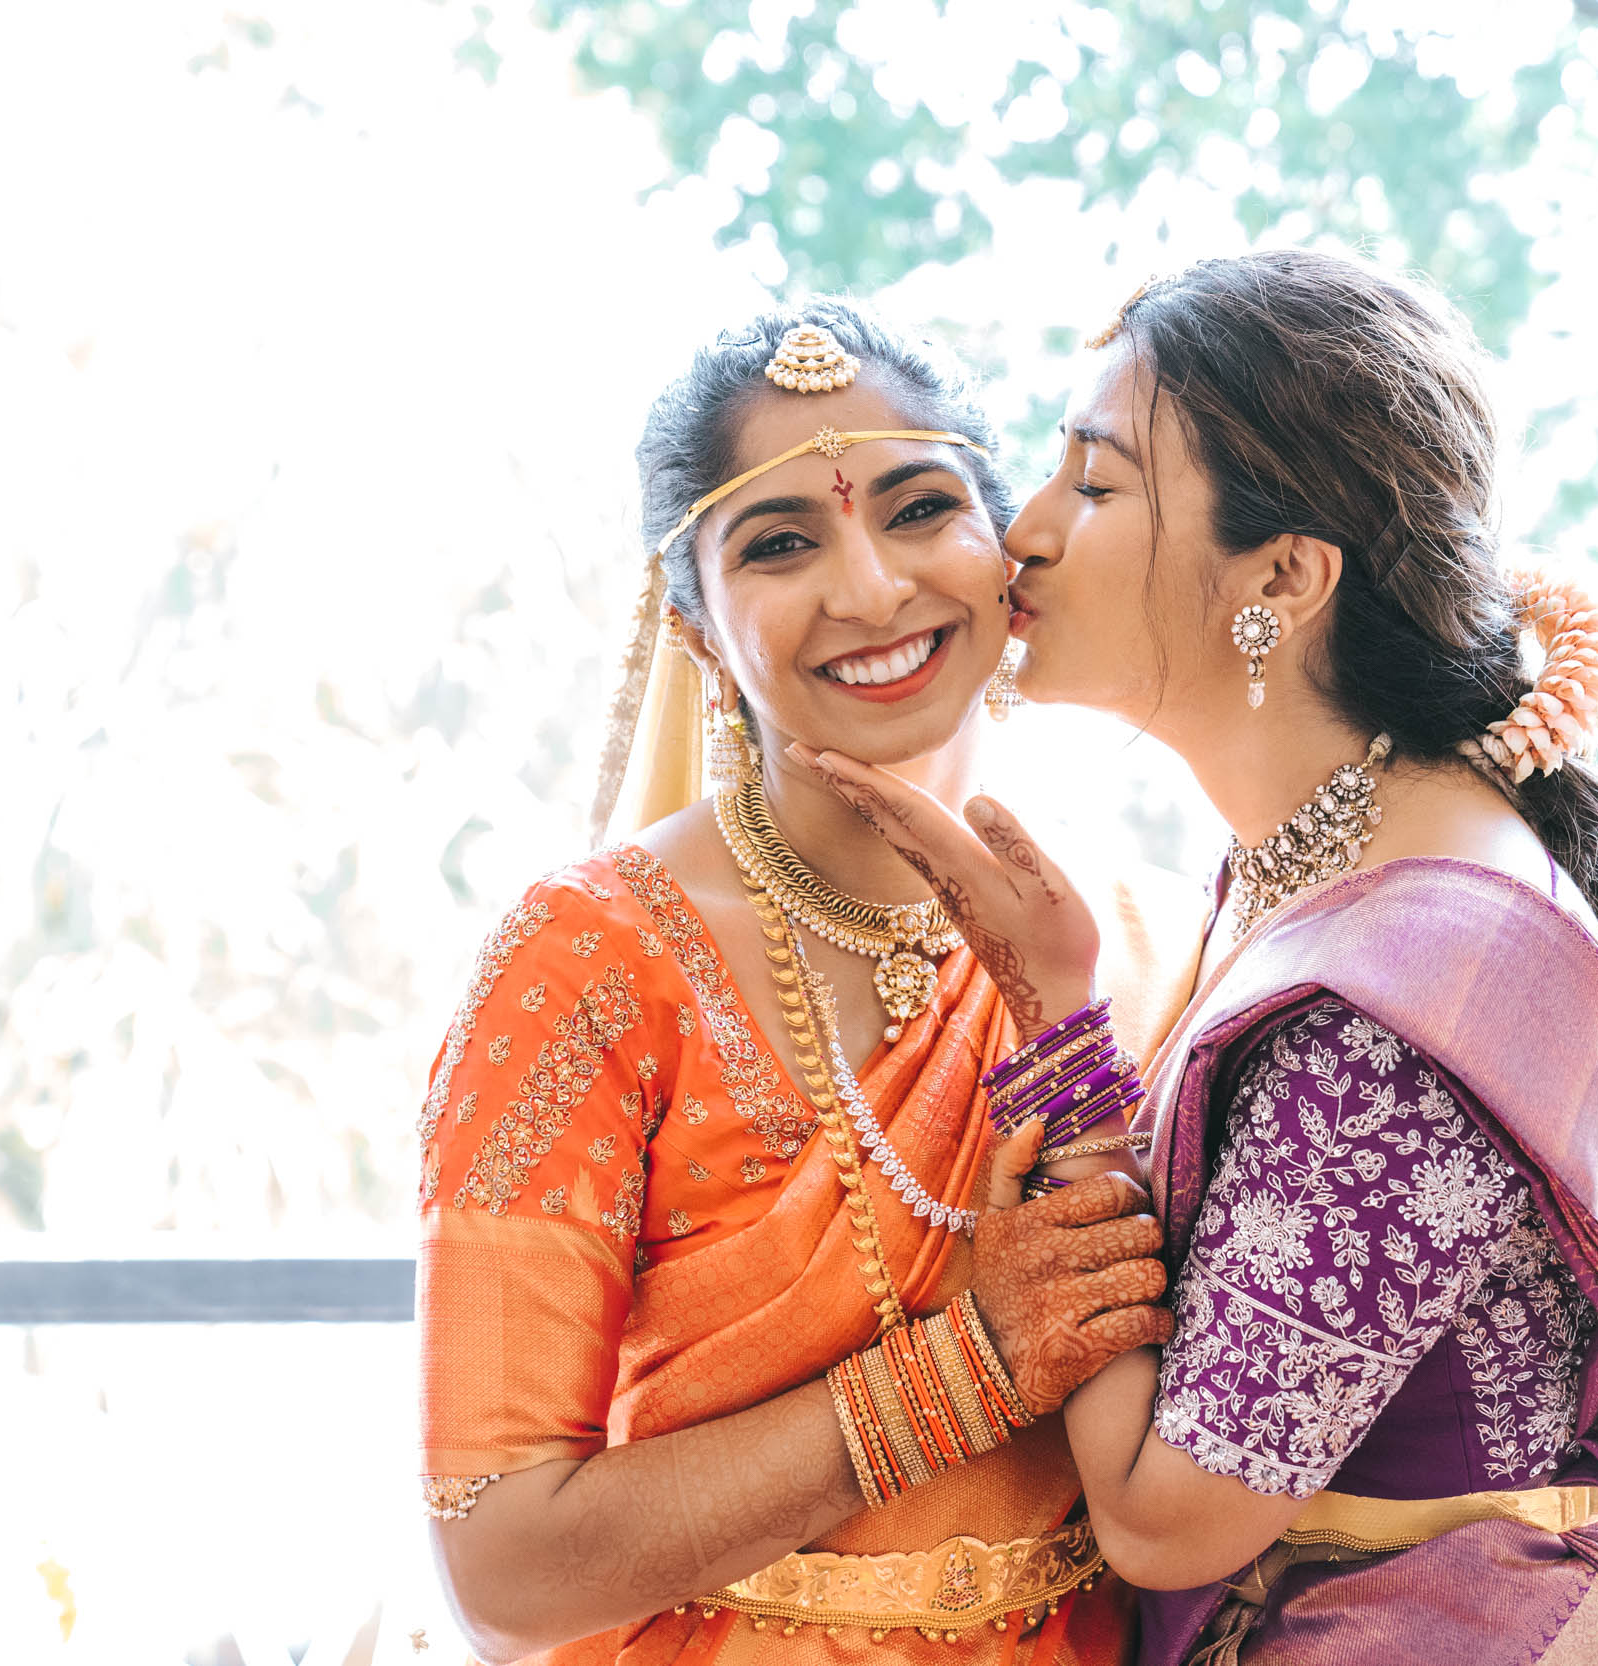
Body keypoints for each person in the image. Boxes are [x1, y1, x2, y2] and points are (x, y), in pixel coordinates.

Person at [798, 251, 1598, 1663]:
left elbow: (1161, 1520)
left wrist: (1060, 1050)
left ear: (1279, 575)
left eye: (1095, 483)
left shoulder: (1391, 1008)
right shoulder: (1325, 855)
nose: (1021, 531)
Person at [414, 301, 1204, 1665]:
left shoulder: (1147, 944)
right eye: (779, 542)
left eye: (917, 509)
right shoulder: (592, 962)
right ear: (701, 628)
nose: (871, 588)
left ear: (1005, 549)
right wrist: (971, 1368)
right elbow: (503, 1563)